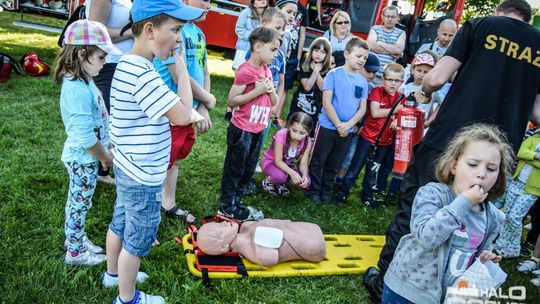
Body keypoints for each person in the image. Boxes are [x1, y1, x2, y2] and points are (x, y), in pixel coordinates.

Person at [363, 1, 540, 302]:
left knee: (416, 208)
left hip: (450, 142)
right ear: (528, 18)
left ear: (499, 11)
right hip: (495, 157)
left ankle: (386, 279)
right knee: (471, 219)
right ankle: (450, 287)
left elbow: (435, 78)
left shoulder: (481, 26)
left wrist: (423, 93)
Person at [104, 0, 204, 302]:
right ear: (149, 29)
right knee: (136, 240)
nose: (178, 38)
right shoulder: (143, 74)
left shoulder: (126, 63)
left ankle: (113, 275)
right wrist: (183, 71)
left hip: (127, 165)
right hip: (144, 176)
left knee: (120, 222)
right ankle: (127, 297)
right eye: (175, 30)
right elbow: (183, 114)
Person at [382, 123, 512, 303]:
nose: (481, 174)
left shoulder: (493, 217)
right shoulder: (432, 194)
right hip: (407, 290)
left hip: (446, 296)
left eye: (491, 169)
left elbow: (481, 248)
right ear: (454, 166)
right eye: (473, 164)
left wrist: (486, 255)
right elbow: (427, 237)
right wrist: (464, 202)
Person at [55, 19, 120, 266]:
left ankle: (77, 239)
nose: (105, 62)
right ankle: (74, 252)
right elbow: (85, 138)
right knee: (79, 204)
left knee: (82, 201)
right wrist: (105, 156)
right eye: (102, 57)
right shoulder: (77, 89)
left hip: (88, 158)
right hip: (84, 158)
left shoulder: (84, 80)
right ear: (82, 54)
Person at [153, 0, 216, 225]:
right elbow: (177, 73)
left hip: (189, 108)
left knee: (177, 157)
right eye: (205, 0)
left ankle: (167, 201)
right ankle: (150, 206)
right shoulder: (174, 29)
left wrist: (202, 106)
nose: (209, 5)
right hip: (172, 109)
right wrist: (207, 98)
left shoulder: (198, 33)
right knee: (162, 160)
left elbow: (205, 70)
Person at [218, 27, 279, 221]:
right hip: (242, 129)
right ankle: (226, 206)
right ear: (258, 47)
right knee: (234, 169)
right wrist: (258, 91)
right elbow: (232, 100)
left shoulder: (266, 70)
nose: (275, 54)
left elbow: (275, 101)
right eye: (273, 49)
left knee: (248, 169)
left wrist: (269, 90)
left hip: (259, 129)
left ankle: (237, 201)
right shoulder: (246, 70)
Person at [307, 37, 369, 204]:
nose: (362, 60)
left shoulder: (363, 82)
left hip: (346, 131)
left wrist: (348, 125)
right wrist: (337, 124)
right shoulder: (334, 74)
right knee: (319, 159)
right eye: (359, 56)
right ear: (347, 54)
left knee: (335, 162)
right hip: (328, 126)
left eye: (364, 57)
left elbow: (362, 108)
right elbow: (327, 102)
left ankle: (326, 190)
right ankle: (314, 189)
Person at [335, 63, 405, 207]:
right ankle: (343, 191)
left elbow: (403, 116)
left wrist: (398, 118)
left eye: (396, 80)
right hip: (368, 138)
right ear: (383, 79)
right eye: (389, 79)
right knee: (356, 166)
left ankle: (367, 195)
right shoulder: (377, 92)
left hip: (385, 142)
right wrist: (396, 109)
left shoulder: (401, 98)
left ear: (401, 82)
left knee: (373, 170)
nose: (392, 83)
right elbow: (375, 112)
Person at [87, 0, 135, 185]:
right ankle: (95, 171)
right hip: (108, 65)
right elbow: (94, 33)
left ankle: (103, 169)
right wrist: (132, 31)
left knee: (114, 121)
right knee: (106, 121)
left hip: (123, 64)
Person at [197, 219, 325, 267]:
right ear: (224, 247)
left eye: (219, 224)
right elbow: (270, 259)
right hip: (316, 247)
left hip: (311, 228)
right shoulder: (252, 250)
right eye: (220, 231)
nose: (224, 223)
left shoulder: (246, 227)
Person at [336, 52, 380, 185]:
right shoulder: (348, 81)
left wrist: (362, 126)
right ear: (360, 66)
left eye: (375, 72)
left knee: (350, 155)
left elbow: (368, 112)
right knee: (337, 152)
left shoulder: (371, 88)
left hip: (358, 128)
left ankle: (340, 179)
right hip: (342, 123)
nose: (372, 75)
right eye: (369, 71)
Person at [494, 132, 540, 258]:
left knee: (515, 217)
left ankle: (514, 247)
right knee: (507, 214)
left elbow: (525, 155)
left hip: (532, 189)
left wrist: (528, 158)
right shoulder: (534, 138)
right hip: (517, 182)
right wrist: (536, 156)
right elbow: (520, 152)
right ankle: (501, 244)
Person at [287, 36, 331, 135]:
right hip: (299, 105)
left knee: (306, 133)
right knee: (291, 130)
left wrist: (318, 71)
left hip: (314, 108)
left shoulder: (328, 70)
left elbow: (322, 87)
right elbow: (307, 87)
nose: (318, 54)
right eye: (316, 50)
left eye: (323, 52)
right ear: (311, 51)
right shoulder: (305, 64)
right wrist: (315, 71)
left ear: (327, 55)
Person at [261, 112, 313, 196]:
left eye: (302, 133)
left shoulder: (307, 141)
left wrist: (304, 175)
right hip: (271, 162)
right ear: (289, 126)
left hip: (288, 165)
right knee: (280, 176)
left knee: (306, 181)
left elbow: (303, 163)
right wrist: (292, 173)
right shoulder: (281, 134)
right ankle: (269, 181)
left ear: (308, 132)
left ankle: (280, 183)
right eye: (294, 130)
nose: (297, 135)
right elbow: (278, 161)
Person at [274, 0, 308, 119]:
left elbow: (302, 34)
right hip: (276, 57)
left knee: (285, 86)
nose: (292, 16)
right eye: (289, 12)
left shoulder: (303, 9)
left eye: (294, 13)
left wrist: (298, 56)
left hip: (291, 55)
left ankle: (276, 116)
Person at [399, 52, 443, 132]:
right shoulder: (404, 89)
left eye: (426, 72)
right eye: (419, 70)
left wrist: (429, 121)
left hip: (422, 129)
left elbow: (442, 103)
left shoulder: (432, 90)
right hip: (404, 127)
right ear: (412, 70)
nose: (422, 74)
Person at [367, 5, 405, 85]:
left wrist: (379, 43)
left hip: (387, 77)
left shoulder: (401, 33)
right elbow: (370, 45)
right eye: (387, 16)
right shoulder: (375, 28)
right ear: (382, 17)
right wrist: (393, 52)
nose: (390, 19)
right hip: (370, 73)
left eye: (393, 17)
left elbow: (398, 50)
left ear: (397, 18)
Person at [232, 0, 268, 71]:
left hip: (258, 50)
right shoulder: (246, 13)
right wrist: (255, 35)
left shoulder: (267, 15)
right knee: (240, 70)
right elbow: (239, 29)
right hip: (244, 48)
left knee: (253, 72)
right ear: (253, 3)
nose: (263, 1)